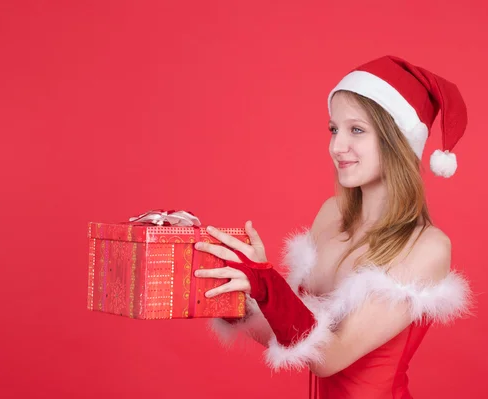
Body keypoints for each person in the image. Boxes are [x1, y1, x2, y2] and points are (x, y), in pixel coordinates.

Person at [193, 55, 473, 399]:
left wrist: (266, 283)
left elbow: (328, 357)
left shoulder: (427, 247)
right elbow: (294, 333)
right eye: (334, 129)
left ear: (398, 140)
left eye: (356, 129)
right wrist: (236, 291)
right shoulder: (331, 215)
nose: (337, 146)